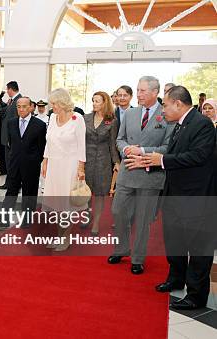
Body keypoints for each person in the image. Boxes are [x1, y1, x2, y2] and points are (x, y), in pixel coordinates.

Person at [127, 86, 216, 310]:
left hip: (196, 197)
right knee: (174, 240)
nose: (162, 110)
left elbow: (198, 156)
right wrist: (150, 160)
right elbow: (171, 156)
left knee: (197, 247)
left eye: (165, 105)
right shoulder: (179, 124)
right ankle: (176, 278)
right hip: (175, 194)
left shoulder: (201, 124)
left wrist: (161, 160)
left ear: (178, 104)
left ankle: (196, 295)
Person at [108, 76, 173, 275]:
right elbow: (120, 139)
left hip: (150, 175)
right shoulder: (131, 113)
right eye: (137, 90)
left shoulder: (166, 115)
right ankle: (121, 248)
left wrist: (142, 150)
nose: (139, 94)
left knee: (143, 219)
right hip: (127, 172)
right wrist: (126, 148)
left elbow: (167, 147)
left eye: (143, 91)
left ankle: (137, 258)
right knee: (118, 212)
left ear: (155, 92)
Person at [41, 88, 86, 251]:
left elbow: (82, 146)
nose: (52, 107)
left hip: (70, 166)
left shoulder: (77, 118)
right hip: (54, 166)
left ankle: (65, 238)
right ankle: (58, 236)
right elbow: (49, 142)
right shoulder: (53, 117)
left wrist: (81, 168)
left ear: (63, 102)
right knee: (56, 204)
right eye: (51, 104)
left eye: (54, 103)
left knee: (66, 205)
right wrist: (45, 161)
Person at [3, 97, 46, 226]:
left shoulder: (39, 125)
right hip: (14, 164)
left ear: (31, 107)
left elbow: (41, 147)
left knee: (29, 193)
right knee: (11, 191)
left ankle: (27, 219)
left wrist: (34, 161)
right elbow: (11, 144)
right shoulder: (11, 123)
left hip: (31, 165)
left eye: (24, 106)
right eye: (18, 106)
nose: (21, 109)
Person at [83, 92, 120, 235]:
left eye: (97, 101)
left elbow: (112, 144)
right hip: (86, 160)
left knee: (99, 194)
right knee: (85, 192)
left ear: (105, 103)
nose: (94, 103)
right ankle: (87, 216)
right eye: (93, 101)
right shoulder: (85, 118)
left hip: (103, 162)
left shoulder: (112, 120)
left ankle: (96, 222)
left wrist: (116, 162)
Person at [0, 81, 22, 187]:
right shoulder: (12, 101)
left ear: (11, 89)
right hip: (8, 136)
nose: (7, 91)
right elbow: (4, 111)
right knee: (9, 161)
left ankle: (13, 184)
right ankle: (10, 183)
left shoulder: (19, 101)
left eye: (7, 89)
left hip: (12, 137)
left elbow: (19, 120)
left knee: (11, 161)